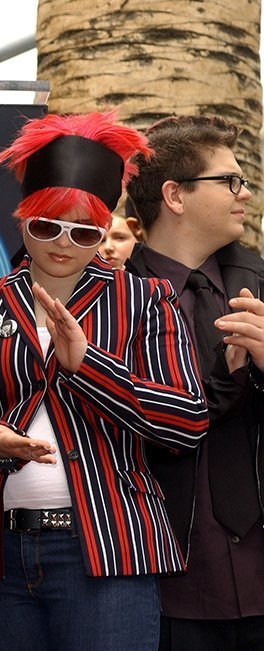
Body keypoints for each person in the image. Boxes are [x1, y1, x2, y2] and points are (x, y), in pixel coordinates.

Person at [0, 111, 209, 650]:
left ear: (105, 230)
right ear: (22, 220)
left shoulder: (144, 299)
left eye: (84, 231)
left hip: (108, 551)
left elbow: (187, 422)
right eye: (45, 226)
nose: (63, 243)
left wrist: (89, 366)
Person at [125, 115, 264, 650]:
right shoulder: (109, 300)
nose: (244, 192)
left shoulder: (259, 283)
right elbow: (133, 424)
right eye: (229, 180)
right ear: (174, 196)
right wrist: (227, 378)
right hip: (164, 579)